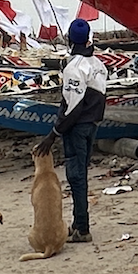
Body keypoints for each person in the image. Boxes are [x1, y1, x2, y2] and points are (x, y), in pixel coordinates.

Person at [49, 18, 108, 243]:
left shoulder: (75, 68)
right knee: (81, 174)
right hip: (92, 125)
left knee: (76, 177)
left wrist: (53, 133)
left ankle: (82, 228)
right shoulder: (98, 66)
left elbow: (73, 106)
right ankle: (78, 222)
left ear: (70, 39)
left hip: (77, 127)